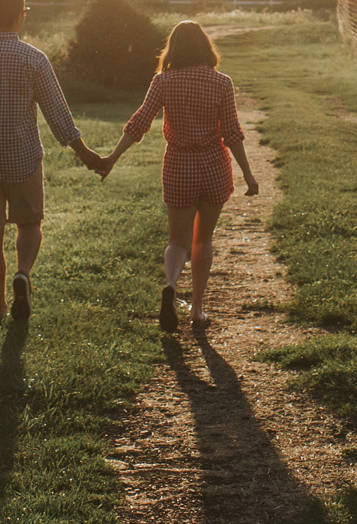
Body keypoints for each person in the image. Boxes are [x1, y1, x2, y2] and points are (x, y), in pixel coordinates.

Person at [0, 0, 108, 321]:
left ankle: (0, 307)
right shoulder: (33, 58)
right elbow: (57, 114)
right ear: (21, 15)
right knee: (29, 224)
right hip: (24, 159)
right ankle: (23, 274)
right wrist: (85, 153)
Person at [98, 20, 258, 333]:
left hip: (179, 166)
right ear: (205, 47)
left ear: (174, 48)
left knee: (177, 240)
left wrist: (112, 158)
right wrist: (248, 174)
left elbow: (139, 122)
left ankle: (171, 284)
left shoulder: (163, 81)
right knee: (203, 241)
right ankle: (197, 309)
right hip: (213, 166)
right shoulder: (221, 82)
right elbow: (232, 134)